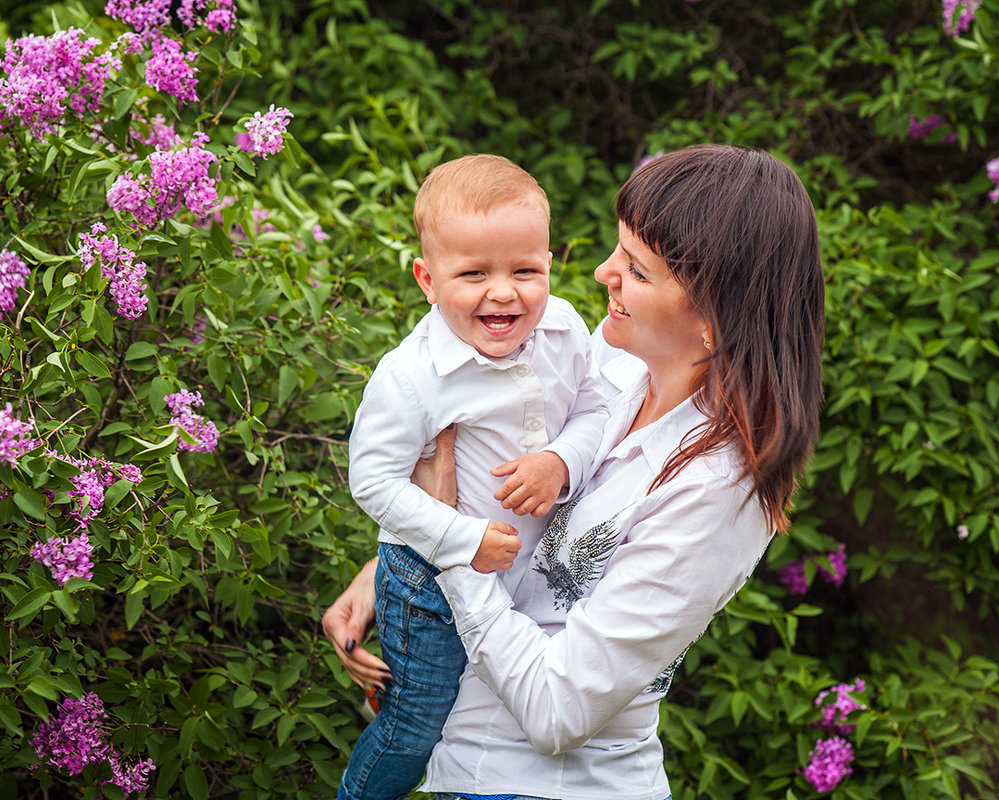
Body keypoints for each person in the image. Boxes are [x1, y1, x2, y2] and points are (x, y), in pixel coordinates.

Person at [324, 144, 826, 800]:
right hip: (462, 763)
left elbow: (557, 711)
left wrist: (452, 555)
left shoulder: (718, 490)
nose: (600, 274)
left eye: (637, 271)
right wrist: (395, 564)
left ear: (713, 321)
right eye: (618, 251)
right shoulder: (613, 365)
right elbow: (500, 486)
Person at [337, 154, 610, 800]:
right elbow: (373, 482)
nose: (503, 292)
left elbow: (597, 407)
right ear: (427, 280)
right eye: (473, 274)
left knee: (476, 706)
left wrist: (560, 460)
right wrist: (462, 540)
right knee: (418, 722)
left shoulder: (566, 331)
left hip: (518, 583)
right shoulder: (413, 377)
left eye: (525, 270)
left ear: (550, 265)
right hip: (429, 580)